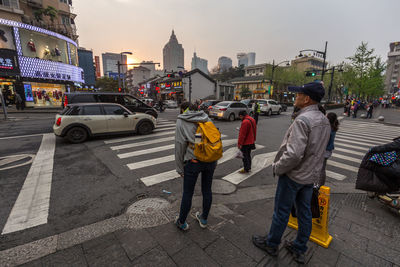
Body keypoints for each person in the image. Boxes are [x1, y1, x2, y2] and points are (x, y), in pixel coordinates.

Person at [252, 81, 330, 264]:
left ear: (307, 99)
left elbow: (294, 154)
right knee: (305, 213)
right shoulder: (324, 120)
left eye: (298, 95)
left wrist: (277, 167)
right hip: (310, 176)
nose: (295, 97)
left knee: (281, 211)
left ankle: (271, 243)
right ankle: (299, 247)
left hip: (294, 175)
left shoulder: (303, 120)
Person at [174, 102, 218, 231]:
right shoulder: (206, 117)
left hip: (193, 162)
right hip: (210, 160)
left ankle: (181, 221)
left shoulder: (181, 121)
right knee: (207, 190)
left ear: (183, 110)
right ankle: (204, 219)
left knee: (188, 193)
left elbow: (179, 145)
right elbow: (214, 139)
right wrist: (215, 160)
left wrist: (179, 168)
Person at [318, 112, 339, 186]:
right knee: (322, 169)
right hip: (328, 151)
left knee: (321, 170)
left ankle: (319, 186)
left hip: (324, 151)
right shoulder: (333, 127)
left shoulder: (328, 128)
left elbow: (324, 141)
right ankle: (320, 185)